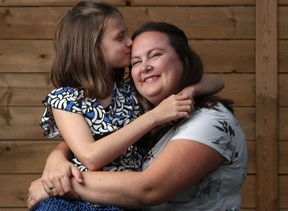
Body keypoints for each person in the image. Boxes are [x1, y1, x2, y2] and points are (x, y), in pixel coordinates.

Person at [28, 21, 247, 211]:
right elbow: (96, 138)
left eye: (155, 55)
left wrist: (57, 184)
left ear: (184, 59)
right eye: (136, 62)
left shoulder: (209, 121)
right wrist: (57, 156)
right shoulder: (155, 113)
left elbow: (149, 189)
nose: (145, 67)